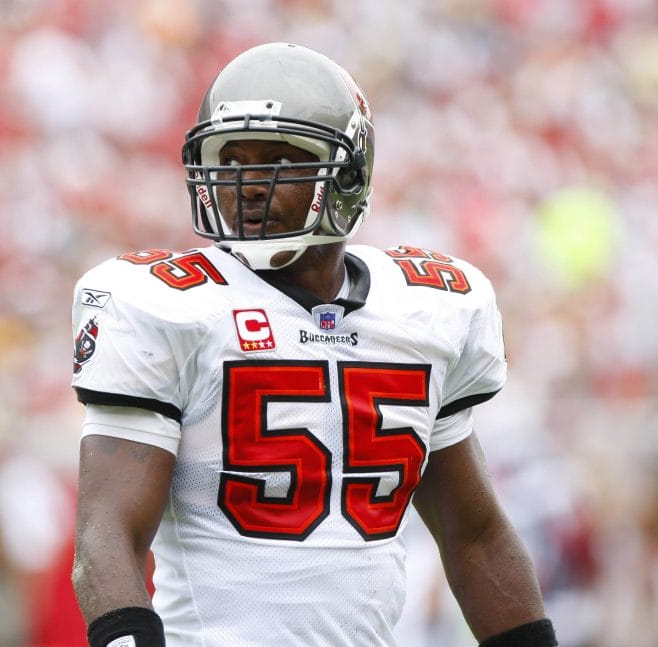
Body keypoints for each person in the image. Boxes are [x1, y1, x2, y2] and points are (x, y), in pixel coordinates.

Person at [70, 42, 557, 647]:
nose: (246, 184)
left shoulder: (427, 312)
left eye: (278, 160)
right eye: (232, 161)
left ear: (349, 174)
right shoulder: (166, 305)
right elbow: (106, 535)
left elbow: (474, 535)